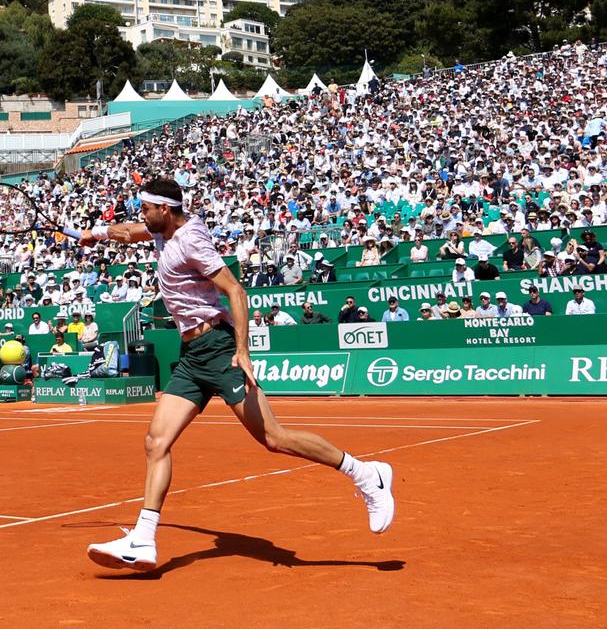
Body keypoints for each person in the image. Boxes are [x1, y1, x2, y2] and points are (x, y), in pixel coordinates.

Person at [64, 177, 393, 572]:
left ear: (164, 210)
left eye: (146, 209)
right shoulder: (163, 231)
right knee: (156, 441)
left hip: (219, 350)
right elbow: (132, 232)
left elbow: (236, 291)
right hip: (191, 356)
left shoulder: (191, 242)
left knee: (274, 438)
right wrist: (94, 234)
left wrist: (242, 351)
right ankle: (144, 539)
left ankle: (365, 473)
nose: (142, 215)